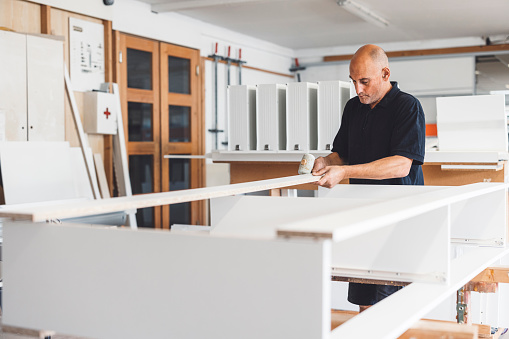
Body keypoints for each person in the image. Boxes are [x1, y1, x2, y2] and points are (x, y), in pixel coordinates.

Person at [311, 44, 425, 312]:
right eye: (353, 82)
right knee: (364, 299)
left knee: (389, 304)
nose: (358, 90)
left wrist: (345, 172)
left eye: (364, 81)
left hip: (396, 220)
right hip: (362, 216)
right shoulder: (353, 107)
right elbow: (344, 154)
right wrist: (326, 161)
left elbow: (401, 165)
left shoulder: (407, 107)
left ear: (385, 73)